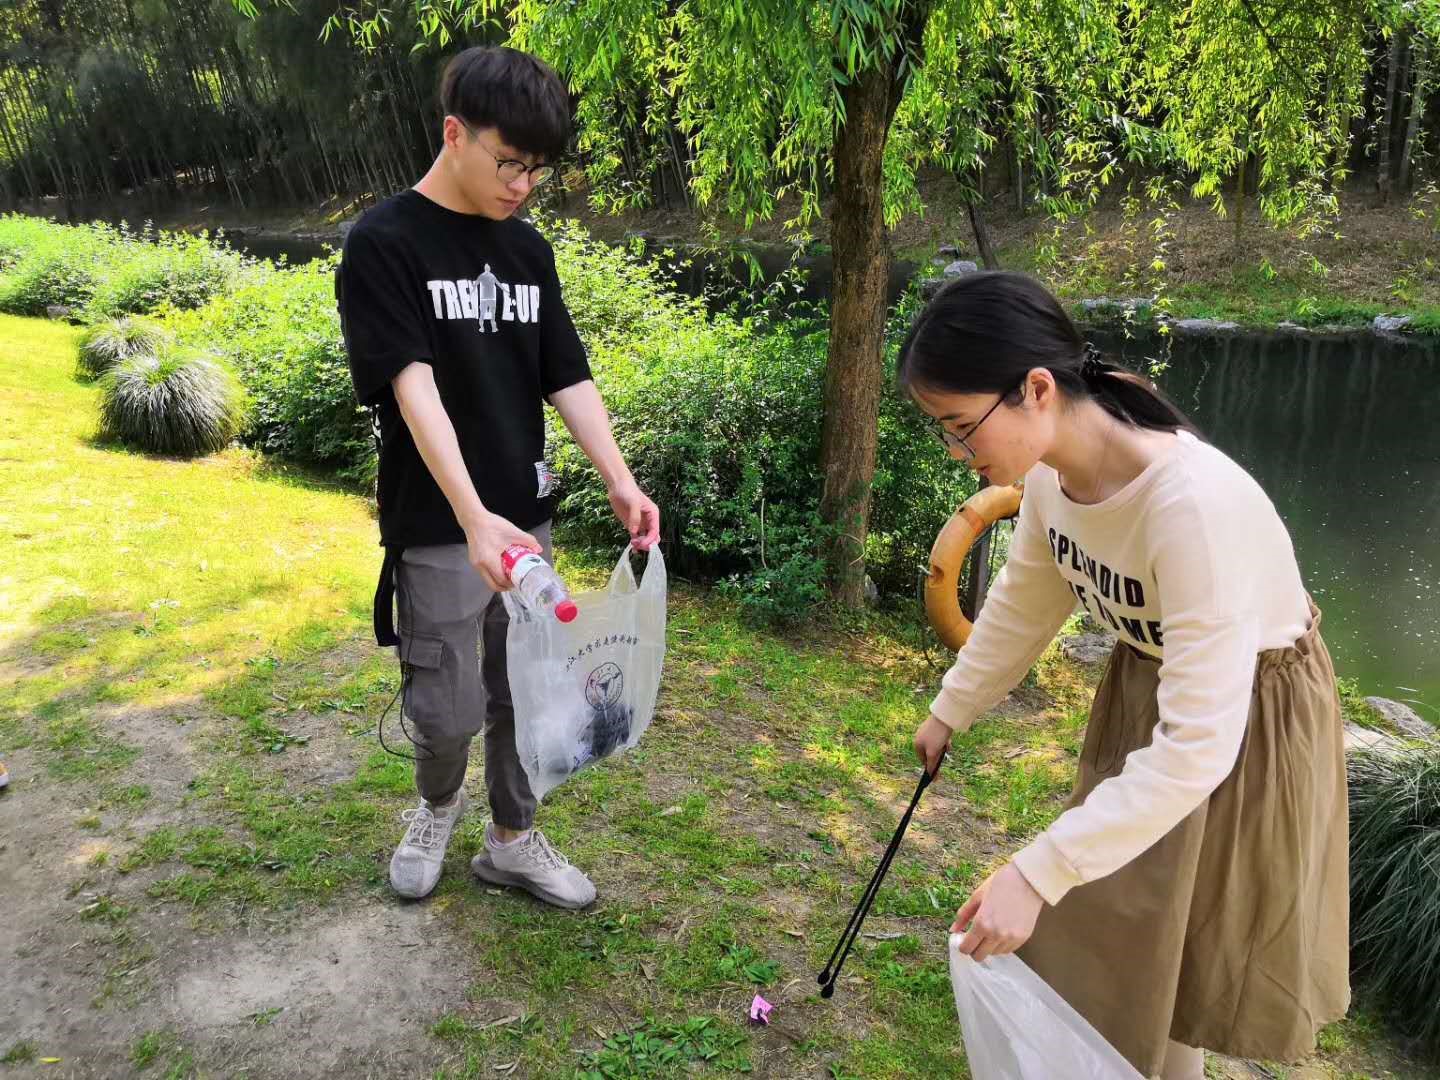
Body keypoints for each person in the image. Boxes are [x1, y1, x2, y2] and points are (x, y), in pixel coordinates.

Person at [905, 272, 1349, 1079]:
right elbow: (1024, 604)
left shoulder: (1190, 508)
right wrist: (951, 709)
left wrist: (1034, 874)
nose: (959, 452)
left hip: (1249, 716)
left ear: (1037, 390)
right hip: (1152, 689)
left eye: (962, 428)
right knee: (1134, 937)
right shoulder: (1051, 482)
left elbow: (1198, 745)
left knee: (1183, 941)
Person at [335, 46, 660, 908]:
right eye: (509, 162)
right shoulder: (383, 243)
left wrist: (619, 478)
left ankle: (512, 839)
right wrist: (473, 517)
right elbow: (413, 390)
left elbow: (567, 374)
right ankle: (436, 804)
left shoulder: (526, 250)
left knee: (526, 688)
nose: (523, 185)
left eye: (538, 170)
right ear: (455, 134)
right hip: (440, 524)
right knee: (445, 712)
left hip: (526, 516)